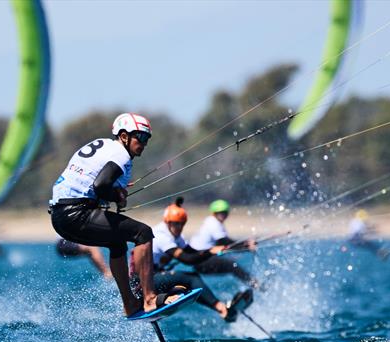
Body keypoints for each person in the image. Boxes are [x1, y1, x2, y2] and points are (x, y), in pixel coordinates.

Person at [49, 112, 157, 316]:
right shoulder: (121, 154)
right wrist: (117, 196)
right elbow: (100, 185)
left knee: (117, 243)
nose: (143, 143)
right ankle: (149, 298)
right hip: (76, 214)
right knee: (143, 233)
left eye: (147, 139)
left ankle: (130, 304)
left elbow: (92, 180)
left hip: (59, 217)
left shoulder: (104, 145)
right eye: (140, 137)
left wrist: (114, 191)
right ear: (124, 136)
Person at [137, 198, 252, 322]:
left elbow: (192, 253)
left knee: (184, 288)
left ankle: (221, 309)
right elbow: (187, 260)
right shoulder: (162, 236)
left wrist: (214, 250)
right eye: (176, 223)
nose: (179, 227)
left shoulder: (175, 235)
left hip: (151, 279)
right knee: (192, 279)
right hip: (143, 283)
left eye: (182, 223)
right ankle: (222, 309)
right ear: (168, 222)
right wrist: (209, 252)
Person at [189, 199, 260, 288]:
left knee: (231, 266)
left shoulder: (211, 222)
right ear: (213, 213)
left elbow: (225, 245)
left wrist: (245, 245)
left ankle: (253, 284)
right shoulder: (213, 223)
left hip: (200, 260)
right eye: (219, 213)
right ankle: (256, 284)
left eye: (224, 213)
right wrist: (246, 246)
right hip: (201, 260)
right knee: (232, 266)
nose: (222, 215)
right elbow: (224, 242)